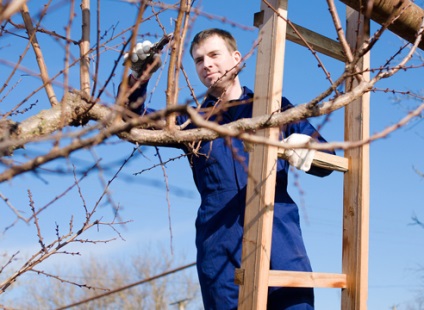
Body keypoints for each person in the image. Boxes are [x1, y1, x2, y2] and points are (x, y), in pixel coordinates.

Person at [121, 28, 334, 310]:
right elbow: (129, 120)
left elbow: (327, 158)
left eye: (213, 55)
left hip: (280, 237)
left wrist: (305, 146)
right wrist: (138, 78)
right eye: (198, 60)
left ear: (236, 58)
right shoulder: (191, 122)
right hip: (220, 248)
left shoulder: (275, 109)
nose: (206, 64)